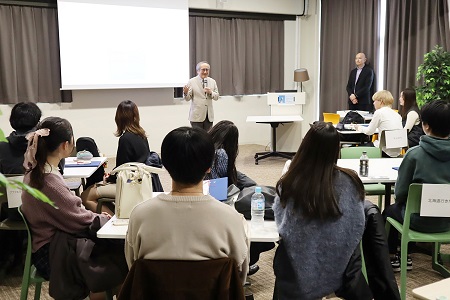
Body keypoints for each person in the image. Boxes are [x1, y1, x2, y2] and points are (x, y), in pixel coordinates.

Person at [125, 126, 249, 284]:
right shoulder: (232, 218)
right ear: (209, 166)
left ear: (166, 165)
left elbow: (133, 267)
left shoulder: (140, 215)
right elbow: (239, 277)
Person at [21, 117, 126, 300]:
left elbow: (72, 213)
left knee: (111, 246)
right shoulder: (49, 181)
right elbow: (78, 219)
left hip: (48, 245)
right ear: (65, 145)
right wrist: (105, 219)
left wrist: (96, 218)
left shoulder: (37, 172)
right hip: (53, 253)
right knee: (121, 251)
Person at [273, 122, 367, 299]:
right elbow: (357, 224)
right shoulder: (351, 181)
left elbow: (282, 227)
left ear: (305, 146)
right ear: (336, 150)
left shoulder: (290, 182)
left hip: (296, 268)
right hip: (339, 266)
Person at [383, 100, 450, 272]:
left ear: (425, 126)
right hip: (447, 222)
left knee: (389, 211)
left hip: (417, 222)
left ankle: (395, 256)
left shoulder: (414, 155)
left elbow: (400, 193)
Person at [81, 100, 151, 214]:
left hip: (128, 185)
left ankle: (112, 219)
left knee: (85, 196)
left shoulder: (125, 139)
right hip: (141, 181)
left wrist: (109, 178)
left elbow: (122, 167)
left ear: (119, 118)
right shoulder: (142, 135)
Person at [0, 102, 41, 281]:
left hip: (12, 212)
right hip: (41, 212)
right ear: (37, 123)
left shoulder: (1, 147)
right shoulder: (43, 145)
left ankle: (11, 256)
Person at [205, 120, 256, 190]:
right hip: (214, 186)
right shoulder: (220, 153)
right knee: (253, 187)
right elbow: (226, 177)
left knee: (247, 182)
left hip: (204, 183)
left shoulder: (204, 145)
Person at [355, 90, 403, 157]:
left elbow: (369, 132)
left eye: (375, 101)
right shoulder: (397, 115)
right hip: (397, 152)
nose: (373, 103)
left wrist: (358, 127)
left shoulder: (379, 112)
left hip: (384, 151)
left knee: (356, 149)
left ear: (381, 101)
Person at [0, 102, 41, 174]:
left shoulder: (1, 146)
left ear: (12, 121)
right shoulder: (49, 143)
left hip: (11, 185)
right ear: (38, 122)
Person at [183, 61, 220, 131]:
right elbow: (187, 98)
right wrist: (185, 93)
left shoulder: (212, 81)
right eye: (203, 70)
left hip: (209, 116)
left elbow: (217, 97)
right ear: (198, 71)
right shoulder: (192, 81)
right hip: (196, 116)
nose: (205, 72)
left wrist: (210, 92)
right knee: (197, 138)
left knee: (207, 137)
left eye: (207, 70)